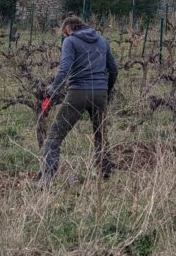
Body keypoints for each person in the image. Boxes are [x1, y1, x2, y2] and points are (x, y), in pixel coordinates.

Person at [41, 15, 118, 182]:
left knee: (53, 137)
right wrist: (107, 90)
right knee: (101, 135)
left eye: (64, 33)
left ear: (69, 28)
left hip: (78, 92)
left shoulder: (70, 41)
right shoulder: (103, 41)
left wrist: (52, 92)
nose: (65, 36)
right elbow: (113, 69)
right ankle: (105, 175)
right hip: (100, 93)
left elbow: (64, 69)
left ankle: (46, 180)